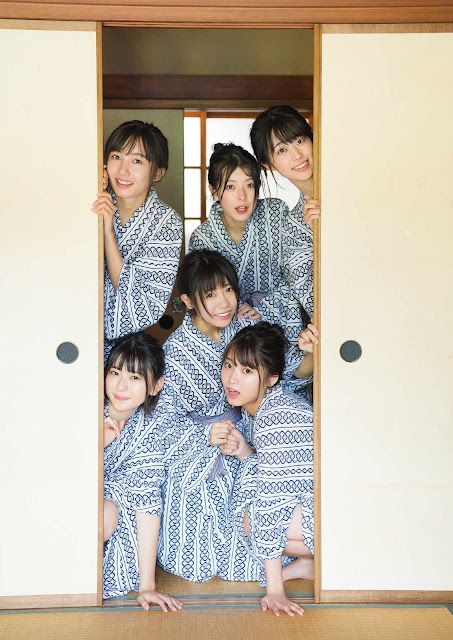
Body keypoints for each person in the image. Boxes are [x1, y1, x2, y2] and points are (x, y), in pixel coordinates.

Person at [157, 249, 261, 584]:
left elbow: (275, 373)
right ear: (188, 301)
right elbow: (162, 423)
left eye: (228, 289)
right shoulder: (175, 352)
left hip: (244, 435)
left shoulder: (244, 326)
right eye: (211, 294)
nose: (224, 303)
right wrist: (205, 434)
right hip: (194, 447)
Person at [220, 322, 314, 617]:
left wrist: (275, 589)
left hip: (346, 518)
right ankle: (308, 565)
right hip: (318, 505)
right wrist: (246, 452)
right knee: (251, 499)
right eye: (229, 365)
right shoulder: (265, 408)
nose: (232, 378)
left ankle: (322, 560)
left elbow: (272, 502)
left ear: (272, 379)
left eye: (247, 371)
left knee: (253, 516)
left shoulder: (277, 416)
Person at [189, 143, 304, 348]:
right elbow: (205, 298)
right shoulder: (203, 238)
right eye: (230, 187)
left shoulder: (275, 213)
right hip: (234, 336)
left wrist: (265, 306)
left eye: (249, 185)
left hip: (284, 325)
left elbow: (297, 273)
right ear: (214, 191)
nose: (242, 196)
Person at [103, 332, 182, 613]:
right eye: (115, 372)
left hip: (104, 509)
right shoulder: (85, 406)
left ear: (155, 386)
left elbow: (147, 504)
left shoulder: (148, 431)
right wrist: (95, 444)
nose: (121, 385)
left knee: (107, 515)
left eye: (135, 377)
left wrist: (147, 585)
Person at [91, 120, 182, 347]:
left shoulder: (167, 222)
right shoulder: (94, 199)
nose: (123, 170)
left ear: (158, 173)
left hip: (125, 349)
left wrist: (108, 231)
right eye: (116, 157)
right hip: (76, 330)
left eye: (137, 161)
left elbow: (143, 305)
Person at [250, 105, 320, 318]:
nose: (297, 155)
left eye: (299, 140)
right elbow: (313, 302)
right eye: (282, 150)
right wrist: (320, 234)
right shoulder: (294, 227)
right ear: (267, 164)